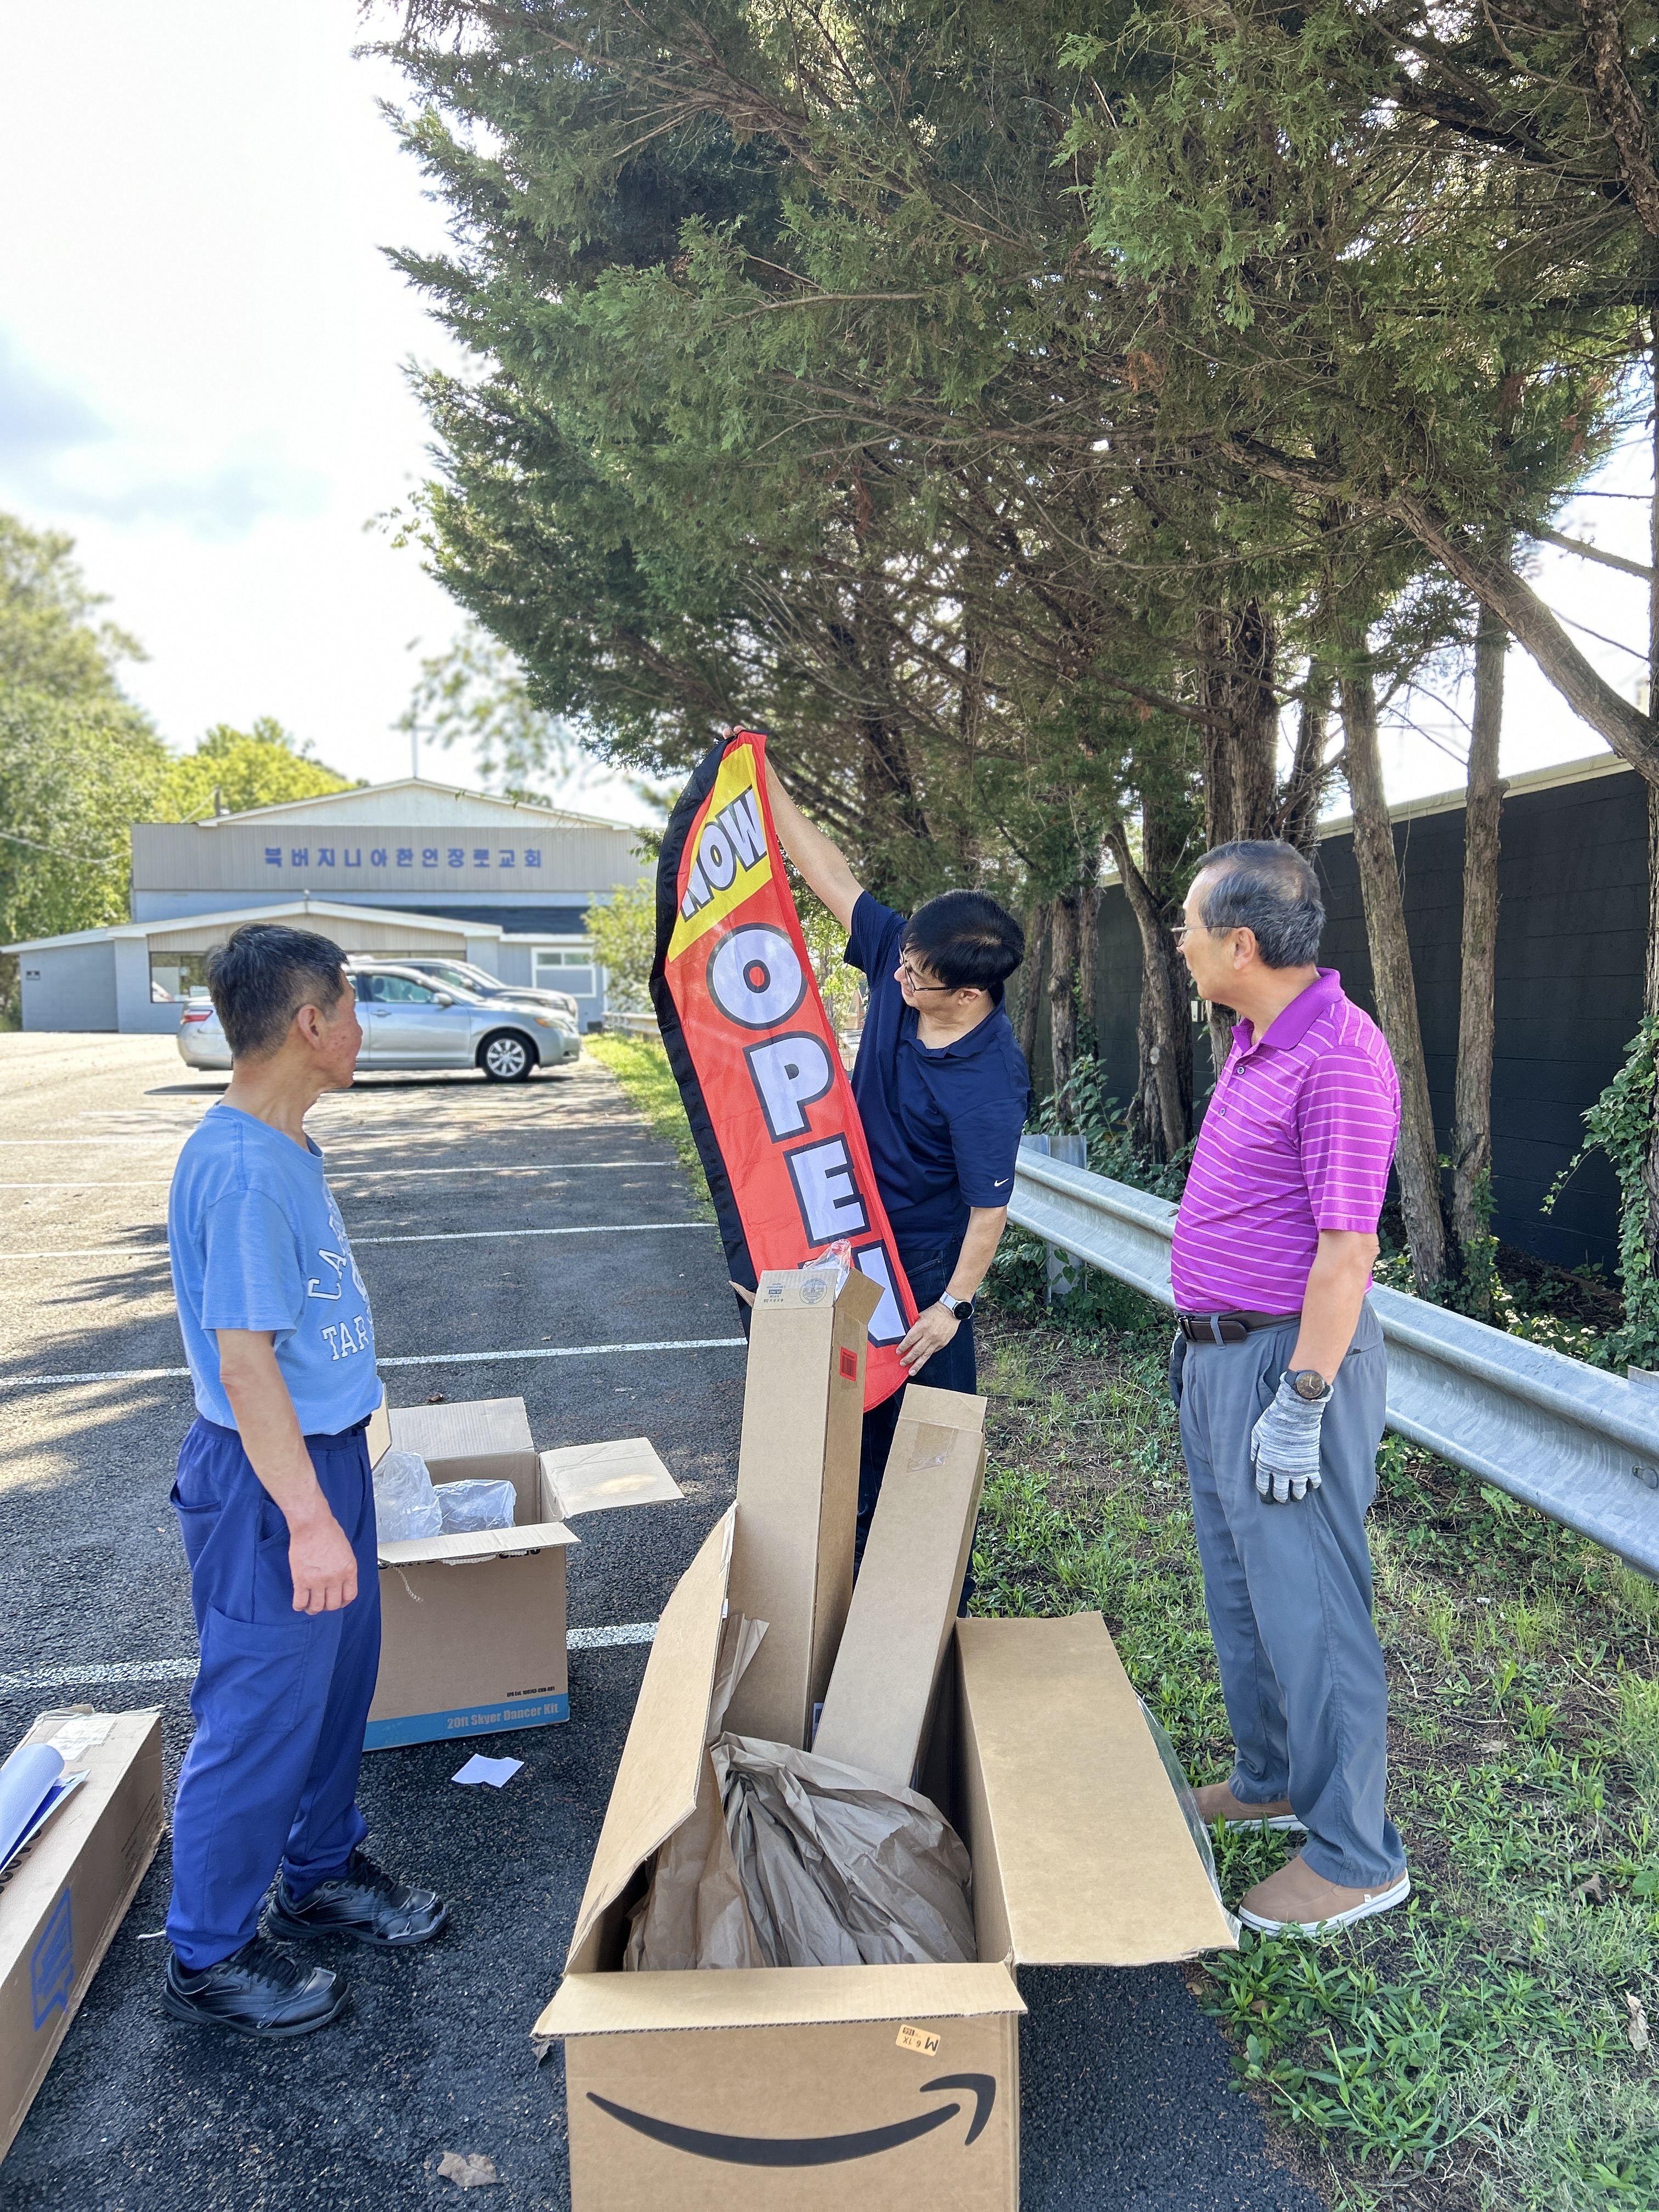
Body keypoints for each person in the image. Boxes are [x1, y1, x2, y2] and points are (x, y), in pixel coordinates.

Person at [162, 923, 447, 2038]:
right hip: (270, 1484)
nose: (364, 1029)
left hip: (318, 1460)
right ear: (310, 1021)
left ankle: (319, 1874)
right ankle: (208, 1954)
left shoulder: (282, 1145)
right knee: (258, 1717)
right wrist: (311, 1520)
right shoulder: (243, 1170)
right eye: (355, 1008)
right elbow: (244, 1365)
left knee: (332, 1694)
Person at [1170, 841, 1408, 1936]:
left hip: (1286, 1364)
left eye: (1187, 925)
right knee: (1244, 1590)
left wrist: (1303, 1400)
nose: (1177, 942)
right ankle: (1270, 1779)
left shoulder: (1339, 1058)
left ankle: (1357, 1856)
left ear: (1239, 944)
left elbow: (1348, 1254)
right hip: (1220, 1357)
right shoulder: (1255, 1037)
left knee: (1312, 1606)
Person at [764, 764, 1030, 1561]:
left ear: (969, 995)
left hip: (921, 1259)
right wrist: (766, 779)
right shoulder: (905, 959)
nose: (899, 978)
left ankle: (929, 1596)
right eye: (903, 963)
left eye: (918, 977)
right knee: (844, 1420)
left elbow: (989, 1211)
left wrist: (951, 1307)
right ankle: (839, 1577)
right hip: (845, 1227)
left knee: (925, 1437)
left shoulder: (988, 1081)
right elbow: (831, 874)